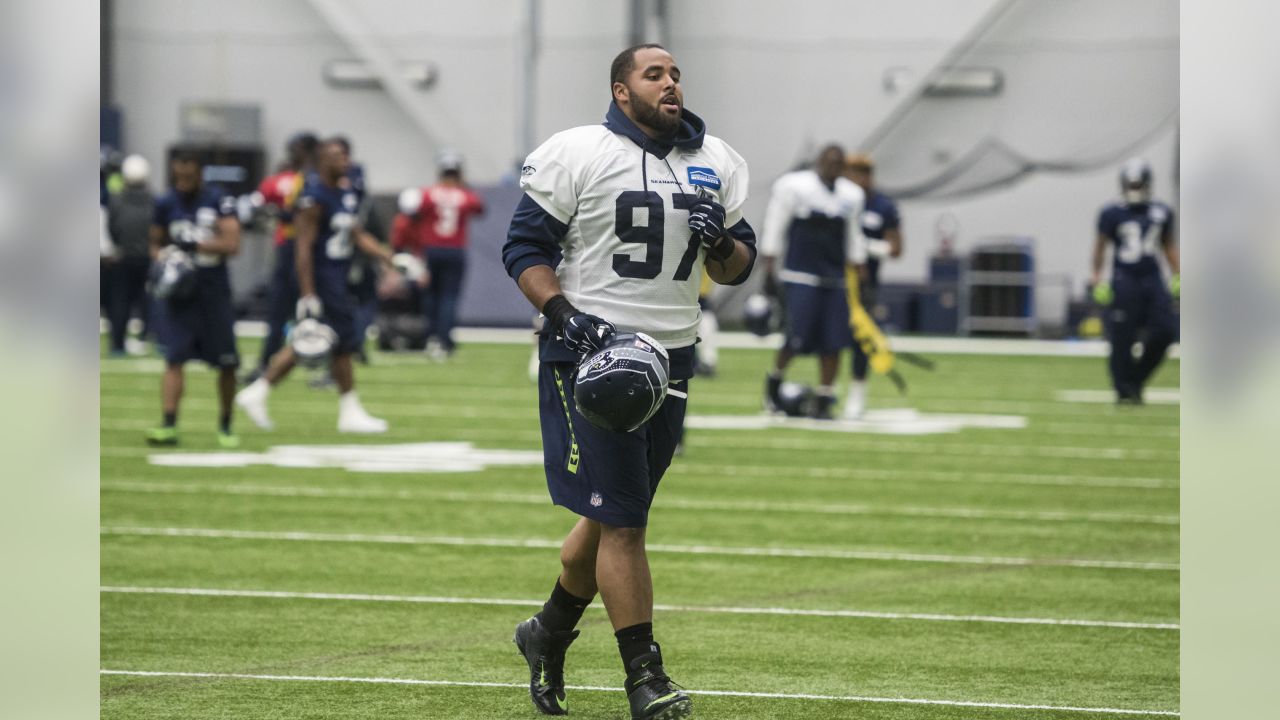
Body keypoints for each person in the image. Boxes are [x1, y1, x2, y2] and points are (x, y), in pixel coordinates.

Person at [501, 43, 755, 720]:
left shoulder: (715, 161)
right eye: (655, 75)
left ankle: (547, 631)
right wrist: (564, 315)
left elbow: (738, 267)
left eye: (675, 75)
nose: (671, 84)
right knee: (626, 522)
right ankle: (645, 678)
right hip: (595, 356)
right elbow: (523, 249)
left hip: (671, 357)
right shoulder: (579, 151)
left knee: (614, 510)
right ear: (622, 92)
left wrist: (721, 243)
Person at [235, 138, 396, 432]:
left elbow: (357, 234)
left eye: (346, 155)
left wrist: (388, 256)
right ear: (322, 161)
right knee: (341, 341)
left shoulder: (346, 191)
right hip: (322, 278)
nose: (344, 161)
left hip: (337, 274)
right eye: (337, 156)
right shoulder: (313, 196)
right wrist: (308, 292)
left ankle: (257, 391)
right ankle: (349, 411)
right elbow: (303, 247)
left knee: (315, 341)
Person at [759, 144, 867, 419]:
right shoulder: (795, 187)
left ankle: (824, 396)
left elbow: (854, 236)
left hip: (835, 278)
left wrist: (860, 268)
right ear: (819, 163)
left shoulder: (851, 195)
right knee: (795, 339)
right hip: (800, 275)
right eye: (829, 162)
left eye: (838, 164)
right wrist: (769, 266)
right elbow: (775, 224)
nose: (833, 168)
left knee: (833, 342)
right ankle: (774, 384)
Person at [145, 152, 243, 447]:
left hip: (213, 290)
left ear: (200, 173)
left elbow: (232, 243)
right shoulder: (165, 203)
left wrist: (198, 244)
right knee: (174, 358)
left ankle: (226, 425)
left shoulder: (219, 200)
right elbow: (155, 243)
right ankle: (169, 424)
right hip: (180, 294)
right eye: (178, 176)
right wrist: (166, 261)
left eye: (188, 176)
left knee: (227, 363)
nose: (183, 182)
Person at [1090, 158, 1179, 404]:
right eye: (1132, 184)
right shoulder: (1112, 212)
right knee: (1122, 337)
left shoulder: (1161, 211)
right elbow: (1101, 246)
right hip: (1124, 278)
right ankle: (1123, 389)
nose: (1135, 189)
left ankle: (1136, 379)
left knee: (1166, 331)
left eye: (1139, 185)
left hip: (1152, 278)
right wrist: (1097, 276)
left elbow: (1168, 245)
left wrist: (1178, 274)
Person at [392, 154, 485, 360]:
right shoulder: (465, 195)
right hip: (454, 250)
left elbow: (413, 212)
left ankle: (431, 337)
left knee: (431, 296)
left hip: (431, 249)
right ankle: (444, 339)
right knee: (449, 296)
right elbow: (479, 207)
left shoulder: (427, 194)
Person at [244, 132, 318, 384]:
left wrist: (277, 214)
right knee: (279, 310)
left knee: (314, 312)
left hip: (307, 249)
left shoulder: (309, 180)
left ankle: (324, 365)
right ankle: (267, 363)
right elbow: (254, 208)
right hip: (290, 248)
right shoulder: (290, 180)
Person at [842, 152, 902, 419]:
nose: (858, 178)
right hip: (835, 279)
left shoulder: (882, 207)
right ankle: (825, 389)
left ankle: (857, 394)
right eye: (853, 172)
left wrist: (865, 248)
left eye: (862, 173)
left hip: (865, 285)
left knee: (860, 340)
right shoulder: (838, 199)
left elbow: (896, 248)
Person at [106, 154, 157, 356]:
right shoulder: (154, 200)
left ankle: (118, 343)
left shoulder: (117, 200)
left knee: (120, 301)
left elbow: (112, 227)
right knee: (147, 299)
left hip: (123, 256)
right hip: (147, 256)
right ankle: (147, 337)